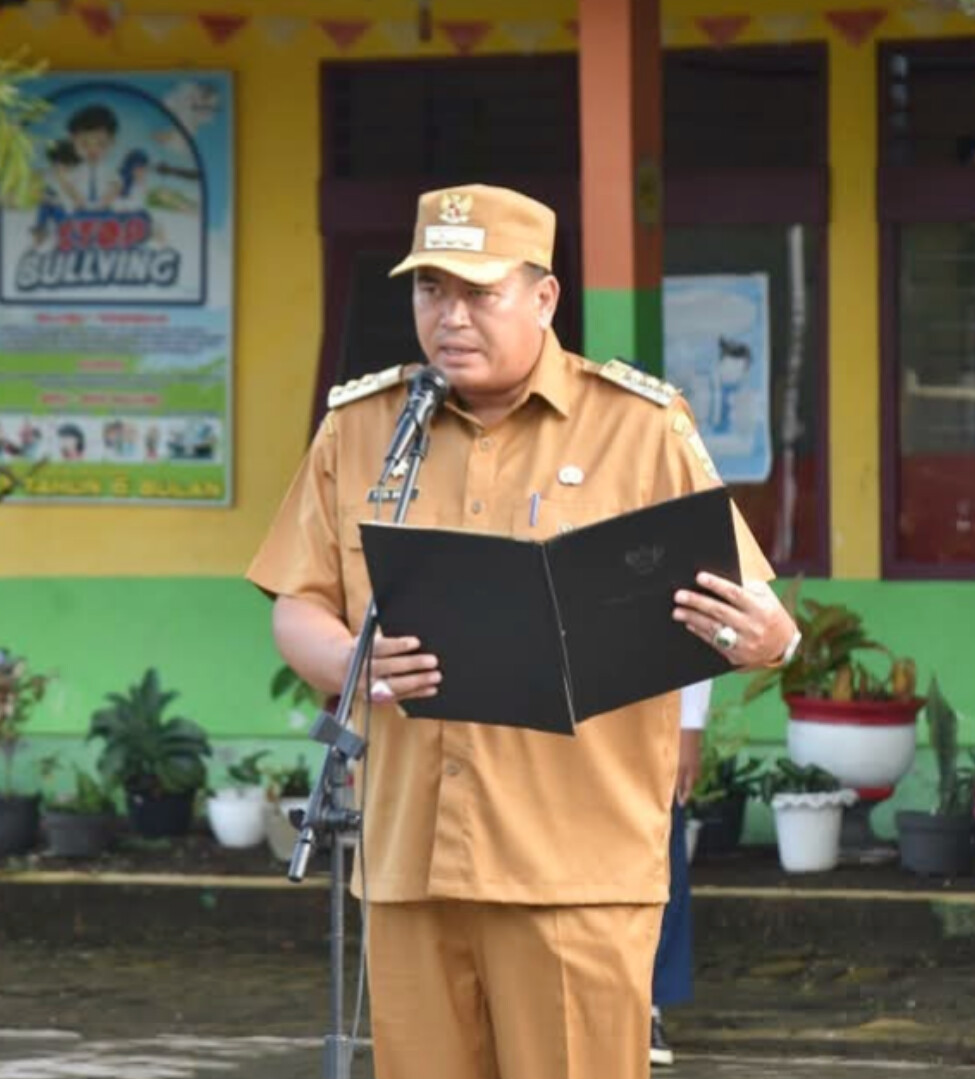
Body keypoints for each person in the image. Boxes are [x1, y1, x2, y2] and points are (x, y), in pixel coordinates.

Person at [247, 184, 800, 1079]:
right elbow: (297, 602)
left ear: (544, 297)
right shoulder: (363, 431)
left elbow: (747, 611)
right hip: (411, 861)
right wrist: (352, 660)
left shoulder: (639, 428)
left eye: (479, 292)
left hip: (575, 869)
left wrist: (768, 637)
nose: (450, 316)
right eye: (430, 289)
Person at [651, 678, 712, 1068]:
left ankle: (646, 1005)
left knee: (657, 849)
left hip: (644, 708)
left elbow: (696, 640)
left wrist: (689, 724)